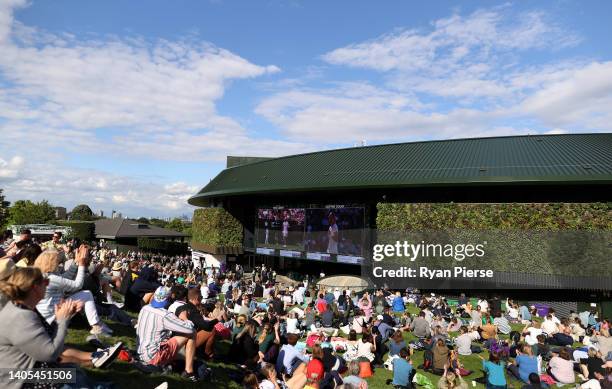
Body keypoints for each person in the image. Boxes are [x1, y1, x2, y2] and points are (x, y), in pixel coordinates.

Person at [0, 267, 122, 389]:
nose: (47, 286)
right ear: (35, 288)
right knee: (70, 375)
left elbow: (48, 336)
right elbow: (50, 354)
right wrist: (62, 320)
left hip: (26, 372)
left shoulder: (24, 308)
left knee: (74, 373)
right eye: (45, 283)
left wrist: (66, 314)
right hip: (19, 380)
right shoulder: (21, 316)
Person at [34, 247, 112, 336]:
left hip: (48, 313)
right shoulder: (51, 278)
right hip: (53, 316)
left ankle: (96, 325)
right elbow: (77, 285)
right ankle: (96, 326)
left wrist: (76, 262)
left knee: (86, 295)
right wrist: (81, 265)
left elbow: (65, 277)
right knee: (86, 294)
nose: (59, 261)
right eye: (56, 260)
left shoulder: (43, 274)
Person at [135, 286, 198, 381]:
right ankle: (189, 371)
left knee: (181, 356)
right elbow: (189, 330)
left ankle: (176, 364)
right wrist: (185, 318)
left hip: (140, 352)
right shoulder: (164, 315)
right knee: (192, 333)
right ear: (169, 298)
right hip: (153, 356)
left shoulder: (145, 308)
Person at [175, 287, 218, 360]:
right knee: (212, 329)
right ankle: (208, 354)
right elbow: (206, 326)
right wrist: (217, 319)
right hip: (186, 343)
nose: (201, 299)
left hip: (177, 339)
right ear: (197, 298)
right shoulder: (193, 310)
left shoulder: (180, 308)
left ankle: (202, 352)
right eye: (201, 297)